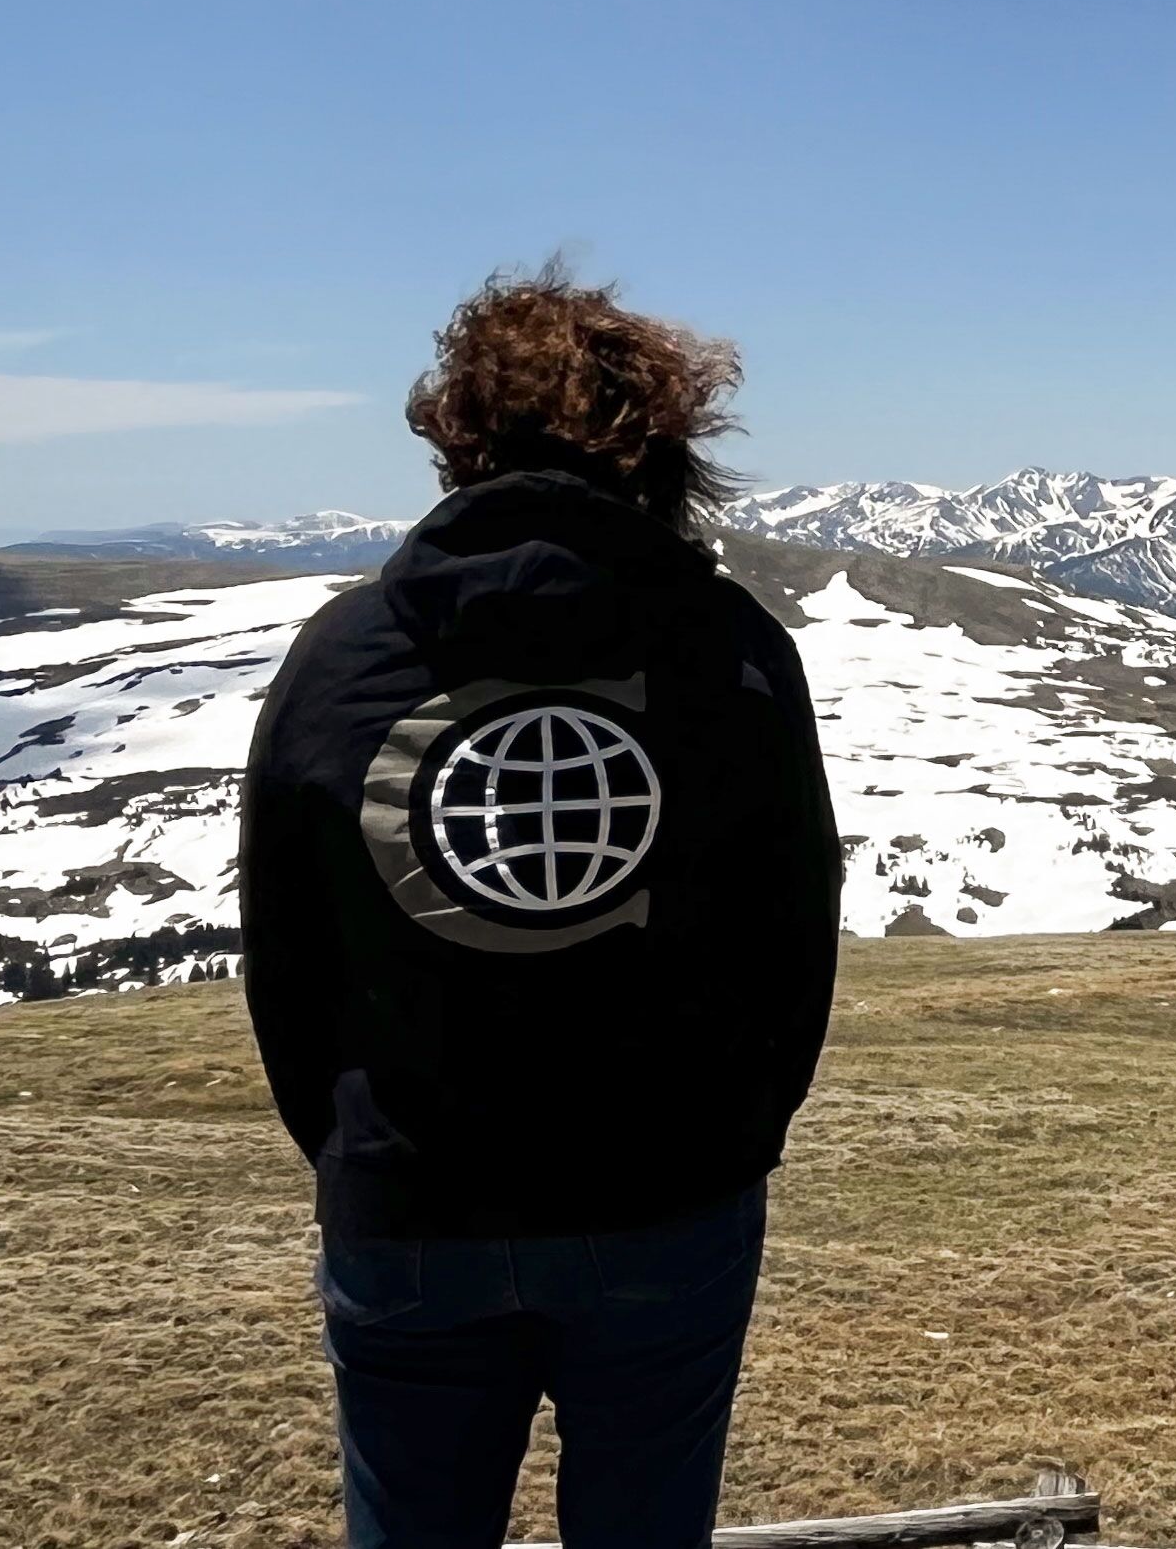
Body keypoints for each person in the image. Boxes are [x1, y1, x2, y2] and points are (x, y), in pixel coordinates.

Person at [239, 265, 843, 1549]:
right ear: (664, 451)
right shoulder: (730, 647)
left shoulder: (341, 657)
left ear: (457, 441)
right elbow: (795, 932)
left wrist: (353, 1150)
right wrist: (738, 1136)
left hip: (409, 1202)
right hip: (667, 1192)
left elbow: (286, 954)